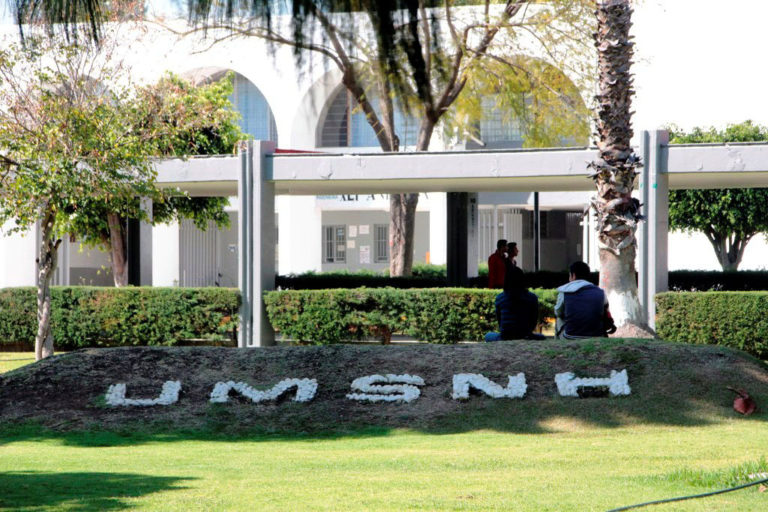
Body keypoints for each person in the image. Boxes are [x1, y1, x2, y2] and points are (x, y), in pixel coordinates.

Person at [554, 261, 616, 339]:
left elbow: (558, 312)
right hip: (597, 336)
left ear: (573, 275)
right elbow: (605, 312)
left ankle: (557, 344)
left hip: (570, 336)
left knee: (558, 318)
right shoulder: (600, 292)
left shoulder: (565, 291)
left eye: (569, 275)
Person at [484, 266, 545, 341]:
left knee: (488, 335)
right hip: (525, 334)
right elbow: (533, 320)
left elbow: (500, 321)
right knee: (542, 336)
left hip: (505, 336)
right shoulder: (532, 298)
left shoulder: (500, 298)